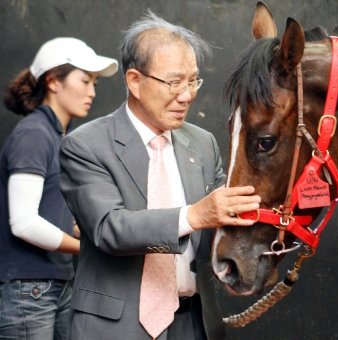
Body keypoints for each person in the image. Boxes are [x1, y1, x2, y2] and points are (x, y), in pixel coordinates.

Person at [59, 10, 260, 340]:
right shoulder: (86, 145)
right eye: (174, 82)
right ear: (135, 81)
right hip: (116, 327)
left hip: (194, 323)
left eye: (193, 80)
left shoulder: (202, 143)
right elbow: (110, 228)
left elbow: (223, 217)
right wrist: (195, 215)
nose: (187, 95)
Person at [0, 37, 118, 339]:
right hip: (29, 290)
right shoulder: (34, 134)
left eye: (95, 84)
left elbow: (49, 214)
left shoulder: (58, 136)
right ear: (53, 81)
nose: (92, 92)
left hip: (56, 283)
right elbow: (24, 223)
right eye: (85, 80)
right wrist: (88, 249)